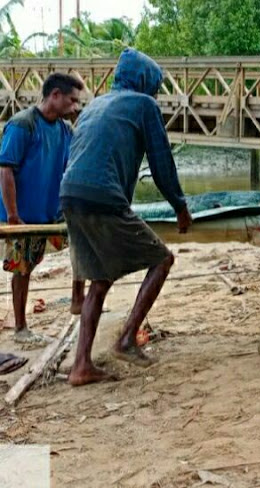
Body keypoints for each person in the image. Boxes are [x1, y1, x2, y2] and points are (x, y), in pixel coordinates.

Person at [60, 48, 193, 386]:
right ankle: (126, 338)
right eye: (155, 87)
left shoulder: (95, 105)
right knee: (162, 260)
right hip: (102, 194)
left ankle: (81, 366)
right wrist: (180, 206)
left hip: (71, 193)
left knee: (100, 280)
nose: (156, 94)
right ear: (145, 81)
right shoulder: (143, 104)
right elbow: (162, 162)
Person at [0, 72, 85, 346]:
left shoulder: (64, 131)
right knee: (22, 269)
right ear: (55, 95)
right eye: (72, 101)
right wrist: (13, 215)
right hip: (22, 216)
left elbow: (68, 170)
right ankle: (21, 327)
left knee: (83, 242)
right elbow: (6, 170)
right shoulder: (23, 124)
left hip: (50, 213)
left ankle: (77, 299)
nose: (75, 107)